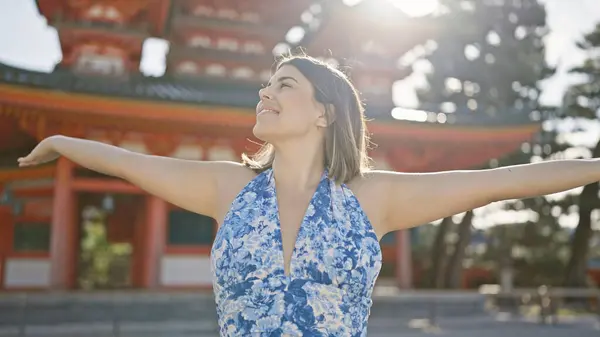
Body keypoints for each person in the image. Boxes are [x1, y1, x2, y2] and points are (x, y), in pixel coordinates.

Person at [17, 54, 600, 336]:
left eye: (284, 86)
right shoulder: (228, 188)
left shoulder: (373, 199)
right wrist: (62, 139)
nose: (264, 94)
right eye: (265, 86)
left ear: (324, 112)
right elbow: (128, 163)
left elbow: (508, 181)